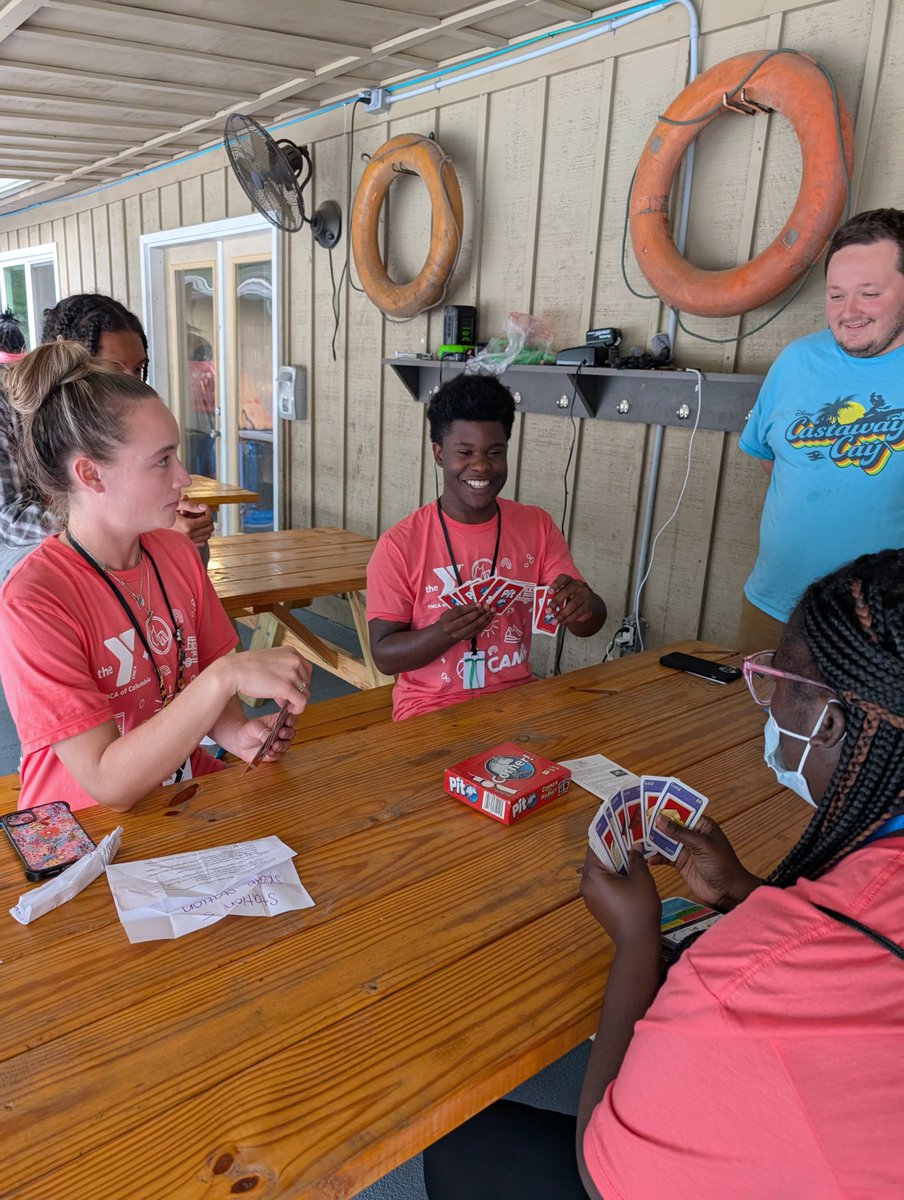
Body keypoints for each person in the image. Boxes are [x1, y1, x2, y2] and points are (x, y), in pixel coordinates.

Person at [423, 548, 904, 1199]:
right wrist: (745, 891)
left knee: (463, 1148)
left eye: (774, 682)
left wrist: (637, 941)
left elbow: (602, 1169)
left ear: (828, 724)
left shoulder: (749, 975)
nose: (764, 703)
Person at [0, 342, 312, 812]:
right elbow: (106, 783)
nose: (184, 477)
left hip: (177, 797)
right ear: (91, 474)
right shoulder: (34, 599)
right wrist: (225, 678)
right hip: (80, 830)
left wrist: (236, 733)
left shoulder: (176, 553)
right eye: (162, 460)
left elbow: (201, 672)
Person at [366, 374, 607, 720]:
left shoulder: (536, 526)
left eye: (494, 452)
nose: (481, 465)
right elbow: (384, 656)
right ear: (438, 454)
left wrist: (584, 605)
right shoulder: (399, 545)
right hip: (428, 710)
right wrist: (444, 632)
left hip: (516, 701)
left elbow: (590, 623)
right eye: (464, 452)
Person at [737, 207, 904, 653]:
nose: (848, 312)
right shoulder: (794, 360)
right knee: (746, 721)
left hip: (882, 630)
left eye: (869, 293)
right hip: (774, 607)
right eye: (835, 295)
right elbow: (772, 461)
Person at [0, 292, 214, 580]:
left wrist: (174, 515)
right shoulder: (9, 410)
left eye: (138, 368)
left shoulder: (130, 415)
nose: (129, 382)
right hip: (23, 558)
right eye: (113, 368)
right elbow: (10, 521)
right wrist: (142, 523)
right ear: (69, 362)